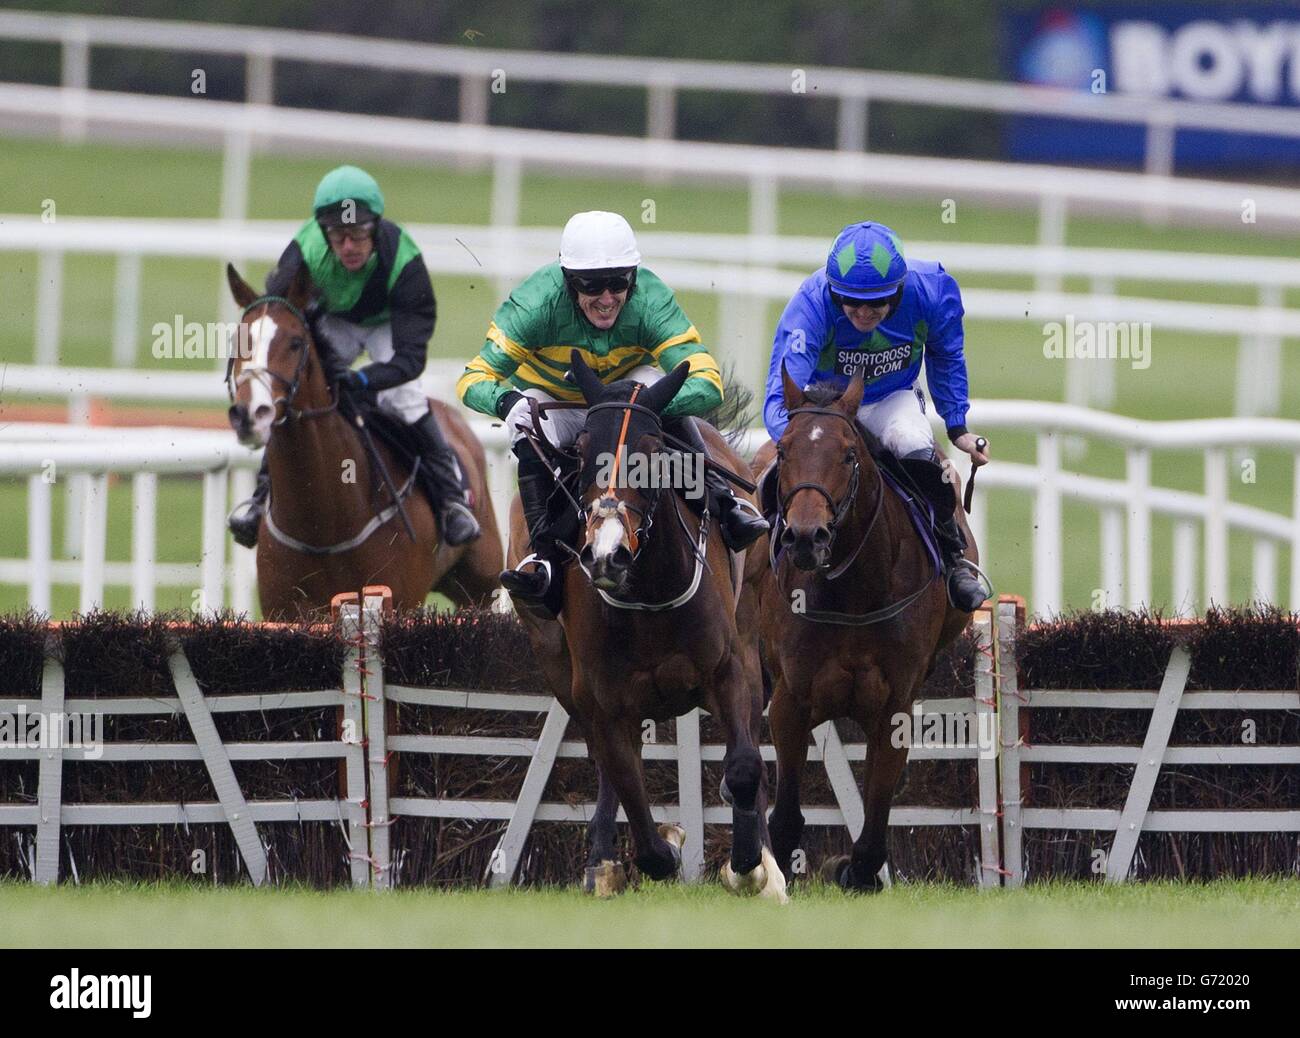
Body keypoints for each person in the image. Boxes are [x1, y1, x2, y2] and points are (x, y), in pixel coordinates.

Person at [457, 210, 769, 609]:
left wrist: (644, 408)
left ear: (633, 279)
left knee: (661, 388)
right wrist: (506, 401)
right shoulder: (535, 303)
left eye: (618, 283)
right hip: (560, 401)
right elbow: (473, 377)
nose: (607, 299)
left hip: (629, 397)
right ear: (569, 282)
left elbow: (707, 382)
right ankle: (542, 559)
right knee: (525, 424)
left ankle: (723, 502)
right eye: (591, 285)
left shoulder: (650, 299)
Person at [227, 164, 480, 548]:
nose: (348, 246)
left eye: (358, 234)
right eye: (338, 235)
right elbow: (278, 316)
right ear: (323, 232)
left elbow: (410, 361)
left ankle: (451, 501)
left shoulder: (405, 262)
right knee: (295, 393)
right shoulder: (304, 251)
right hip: (334, 321)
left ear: (376, 228)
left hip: (387, 324)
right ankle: (260, 497)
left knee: (405, 398)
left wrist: (363, 380)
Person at [763, 220, 989, 611]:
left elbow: (946, 355)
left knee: (913, 446)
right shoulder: (812, 303)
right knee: (773, 474)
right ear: (834, 293)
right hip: (824, 406)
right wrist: (801, 441)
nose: (864, 313)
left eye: (877, 303)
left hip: (892, 397)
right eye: (851, 302)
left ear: (899, 292)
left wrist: (957, 426)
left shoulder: (932, 292)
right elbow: (783, 392)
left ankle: (953, 560)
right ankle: (757, 570)